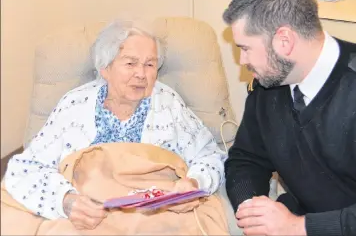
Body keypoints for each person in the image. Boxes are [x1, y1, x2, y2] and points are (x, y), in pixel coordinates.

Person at [222, 0, 356, 236]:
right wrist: (253, 210)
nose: (242, 61)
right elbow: (246, 159)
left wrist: (296, 227)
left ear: (284, 41)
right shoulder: (268, 86)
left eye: (246, 48)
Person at [4, 20, 227, 230]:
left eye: (150, 64)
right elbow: (25, 168)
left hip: (153, 217)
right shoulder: (74, 105)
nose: (141, 74)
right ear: (105, 68)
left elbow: (210, 155)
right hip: (92, 217)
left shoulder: (168, 103)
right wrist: (65, 201)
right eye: (130, 63)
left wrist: (194, 183)